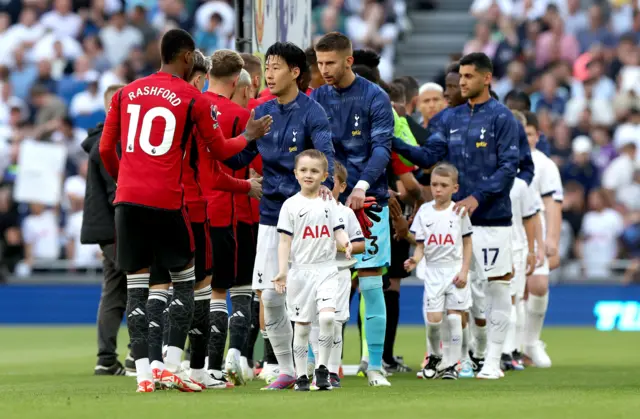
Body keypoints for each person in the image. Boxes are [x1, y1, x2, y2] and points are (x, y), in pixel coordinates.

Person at [98, 28, 272, 393]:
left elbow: (104, 149)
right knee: (188, 281)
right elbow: (223, 151)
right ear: (187, 56)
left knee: (137, 288)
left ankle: (145, 375)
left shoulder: (126, 92)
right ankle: (174, 366)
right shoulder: (192, 98)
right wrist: (250, 136)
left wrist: (123, 180)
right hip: (167, 201)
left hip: (127, 201)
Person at [390, 52, 520, 380]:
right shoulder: (448, 119)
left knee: (496, 289)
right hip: (454, 221)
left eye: (468, 76)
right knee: (464, 296)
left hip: (492, 219)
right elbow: (428, 155)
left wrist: (478, 196)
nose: (461, 82)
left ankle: (492, 359)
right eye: (459, 76)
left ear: (486, 78)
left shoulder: (502, 118)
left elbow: (509, 167)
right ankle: (459, 357)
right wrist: (393, 143)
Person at [224, 41, 335, 390]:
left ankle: (321, 367)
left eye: (275, 67)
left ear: (296, 72)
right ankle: (286, 369)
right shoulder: (262, 114)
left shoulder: (313, 113)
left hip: (307, 221)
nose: (268, 74)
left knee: (313, 300)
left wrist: (326, 187)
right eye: (267, 67)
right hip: (271, 217)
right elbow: (237, 160)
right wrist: (242, 137)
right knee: (270, 297)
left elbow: (325, 160)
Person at [312, 32, 393, 387]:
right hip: (327, 202)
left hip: (369, 201)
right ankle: (320, 366)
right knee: (321, 284)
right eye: (319, 63)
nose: (324, 70)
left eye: (330, 63)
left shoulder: (375, 97)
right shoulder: (316, 97)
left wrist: (360, 186)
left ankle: (374, 365)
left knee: (372, 284)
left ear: (347, 61)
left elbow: (382, 148)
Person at [201, 49, 263, 386]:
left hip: (189, 208)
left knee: (188, 288)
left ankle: (171, 360)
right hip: (230, 211)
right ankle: (225, 360)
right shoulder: (239, 114)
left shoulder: (192, 107)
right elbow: (239, 161)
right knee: (233, 288)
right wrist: (255, 142)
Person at [273, 150, 351, 391]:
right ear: (295, 173)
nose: (309, 175)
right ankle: (300, 376)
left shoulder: (329, 203)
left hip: (327, 269)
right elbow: (285, 241)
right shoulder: (290, 205)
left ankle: (323, 369)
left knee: (328, 317)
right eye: (304, 170)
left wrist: (346, 243)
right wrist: (282, 271)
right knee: (303, 326)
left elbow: (338, 229)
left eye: (315, 171)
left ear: (324, 175)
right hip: (300, 273)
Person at [404, 163, 473, 380]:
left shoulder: (459, 211)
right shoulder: (424, 211)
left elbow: (468, 243)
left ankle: (453, 363)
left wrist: (464, 271)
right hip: (433, 272)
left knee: (454, 319)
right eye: (434, 185)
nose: (438, 189)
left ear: (455, 188)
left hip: (453, 270)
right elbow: (421, 245)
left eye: (444, 185)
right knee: (433, 320)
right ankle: (435, 357)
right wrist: (415, 260)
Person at [81, 83, 131, 376]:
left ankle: (106, 359)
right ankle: (139, 355)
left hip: (104, 228)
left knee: (113, 291)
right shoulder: (112, 143)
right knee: (145, 284)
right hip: (119, 227)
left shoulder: (100, 141)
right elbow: (119, 191)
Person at [307, 161, 365, 388]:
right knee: (313, 321)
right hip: (311, 273)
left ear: (342, 187)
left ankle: (332, 371)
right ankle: (316, 369)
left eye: (330, 184)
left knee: (335, 321)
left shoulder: (346, 213)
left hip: (339, 272)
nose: (324, 188)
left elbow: (360, 244)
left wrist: (338, 245)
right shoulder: (305, 209)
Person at [522, 111, 563, 368]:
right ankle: (510, 348)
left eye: (529, 134)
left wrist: (552, 239)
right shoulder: (503, 159)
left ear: (537, 136)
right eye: (522, 134)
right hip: (508, 230)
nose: (526, 139)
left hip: (535, 232)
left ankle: (531, 342)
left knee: (537, 285)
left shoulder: (545, 164)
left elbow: (553, 204)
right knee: (511, 291)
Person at [502, 110, 540, 371]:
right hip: (492, 243)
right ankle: (495, 351)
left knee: (513, 299)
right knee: (494, 300)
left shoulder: (521, 183)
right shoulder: (491, 176)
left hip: (515, 246)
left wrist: (530, 250)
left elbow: (530, 217)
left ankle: (510, 350)